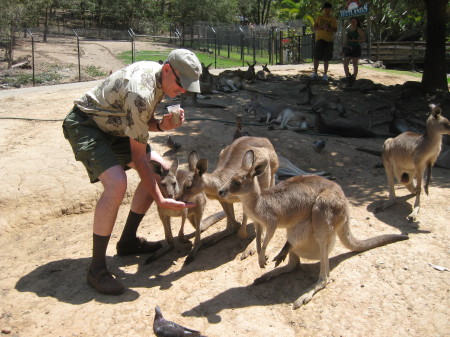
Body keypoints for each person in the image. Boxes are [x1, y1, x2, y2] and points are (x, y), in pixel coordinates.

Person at [62, 49, 201, 295]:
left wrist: (161, 125)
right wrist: (160, 198)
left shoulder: (159, 79)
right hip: (87, 125)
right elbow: (138, 156)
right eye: (182, 84)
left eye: (188, 87)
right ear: (168, 69)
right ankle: (96, 269)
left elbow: (135, 121)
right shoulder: (141, 91)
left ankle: (127, 241)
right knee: (117, 183)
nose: (183, 91)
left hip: (115, 128)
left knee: (162, 170)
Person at [311, 2, 337, 81]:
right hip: (320, 39)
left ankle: (325, 74)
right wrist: (322, 26)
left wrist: (329, 29)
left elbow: (335, 29)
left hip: (329, 40)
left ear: (331, 10)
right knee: (316, 57)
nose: (327, 10)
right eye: (325, 8)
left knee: (326, 58)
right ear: (323, 9)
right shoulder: (319, 18)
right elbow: (314, 28)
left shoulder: (333, 19)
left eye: (328, 8)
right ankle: (315, 73)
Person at [343, 16, 365, 83]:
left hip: (356, 47)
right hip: (348, 48)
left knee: (355, 64)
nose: (353, 23)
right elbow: (346, 40)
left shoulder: (358, 29)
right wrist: (344, 49)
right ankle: (347, 76)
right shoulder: (348, 29)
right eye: (352, 21)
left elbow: (363, 38)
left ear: (357, 22)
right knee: (345, 62)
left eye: (354, 21)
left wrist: (355, 40)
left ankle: (354, 77)